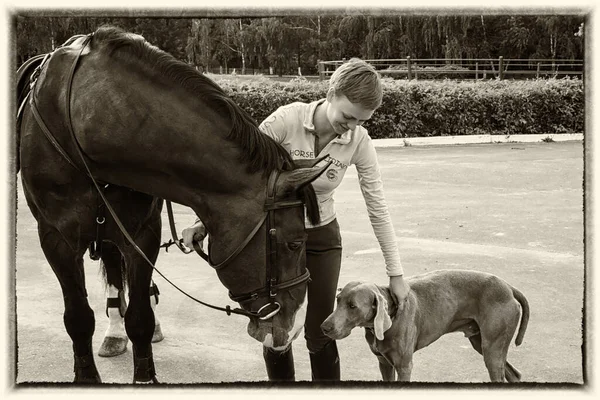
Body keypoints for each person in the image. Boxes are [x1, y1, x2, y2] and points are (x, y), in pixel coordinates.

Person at [182, 58, 409, 382]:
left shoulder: (359, 141)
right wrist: (201, 222)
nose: (352, 126)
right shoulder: (285, 122)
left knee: (321, 334)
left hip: (322, 238)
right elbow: (235, 176)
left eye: (361, 121)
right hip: (275, 239)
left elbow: (378, 206)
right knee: (277, 333)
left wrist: (396, 273)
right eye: (348, 116)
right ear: (331, 94)